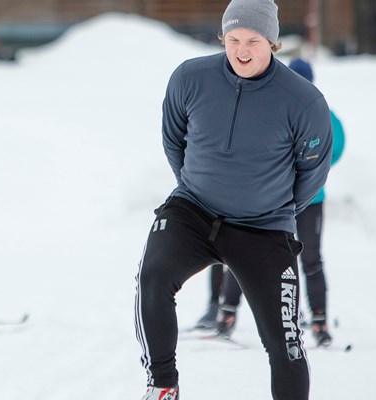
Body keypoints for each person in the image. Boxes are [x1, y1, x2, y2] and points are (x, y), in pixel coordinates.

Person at [133, 0, 332, 398]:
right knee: (152, 278)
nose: (242, 50)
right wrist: (195, 185)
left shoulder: (303, 101)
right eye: (233, 39)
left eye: (253, 41)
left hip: (264, 226)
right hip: (193, 210)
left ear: (272, 43)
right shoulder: (190, 77)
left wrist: (272, 207)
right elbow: (174, 140)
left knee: (285, 343)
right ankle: (163, 385)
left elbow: (313, 171)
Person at [195, 58, 347, 347]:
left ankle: (318, 320)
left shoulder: (320, 110)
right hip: (270, 196)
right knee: (248, 252)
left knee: (307, 258)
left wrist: (311, 167)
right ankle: (228, 314)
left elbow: (335, 146)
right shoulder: (275, 104)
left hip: (307, 198)